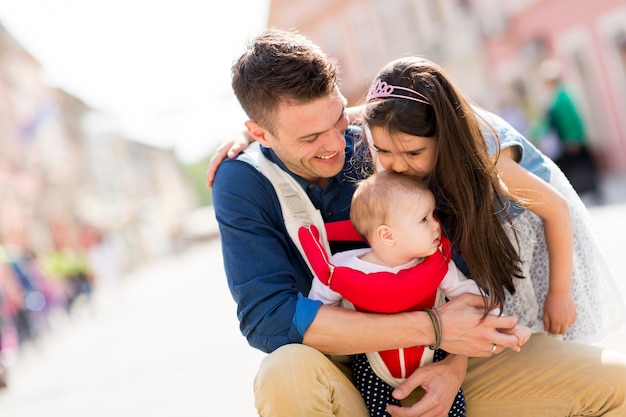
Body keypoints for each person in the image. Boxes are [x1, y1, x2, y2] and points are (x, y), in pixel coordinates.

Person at [210, 28, 626, 417]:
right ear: (260, 133)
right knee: (284, 371)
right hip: (346, 372)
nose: (337, 145)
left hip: (445, 360)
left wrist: (453, 365)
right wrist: (433, 328)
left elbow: (463, 265)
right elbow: (270, 318)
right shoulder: (244, 180)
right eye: (309, 138)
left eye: (338, 119)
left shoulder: (389, 144)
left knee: (618, 384)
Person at [361, 56, 626, 344]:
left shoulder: (487, 156)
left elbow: (557, 209)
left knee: (558, 339)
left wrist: (559, 294)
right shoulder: (395, 129)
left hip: (545, 246)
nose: (397, 165)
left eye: (413, 154)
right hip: (495, 251)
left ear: (444, 134)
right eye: (383, 151)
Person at [306, 169, 531, 417]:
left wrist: (502, 324)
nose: (436, 225)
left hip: (433, 355)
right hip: (372, 362)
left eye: (432, 215)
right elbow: (319, 313)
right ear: (387, 235)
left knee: (454, 409)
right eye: (424, 219)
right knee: (378, 410)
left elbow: (469, 296)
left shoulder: (437, 265)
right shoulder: (342, 268)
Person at [536, 58, 601, 199]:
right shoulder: (558, 95)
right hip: (568, 139)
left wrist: (571, 138)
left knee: (580, 167)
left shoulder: (561, 96)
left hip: (571, 140)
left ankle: (590, 192)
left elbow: (568, 120)